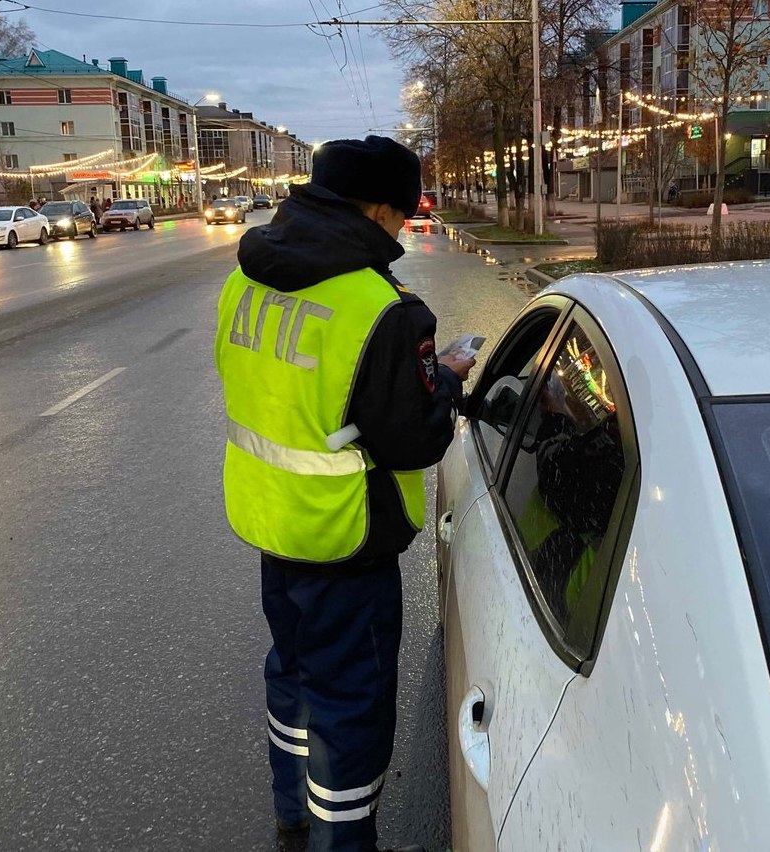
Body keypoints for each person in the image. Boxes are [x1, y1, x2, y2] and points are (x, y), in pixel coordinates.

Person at [214, 135, 473, 852]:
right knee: (350, 707)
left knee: (292, 672)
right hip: (346, 538)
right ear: (381, 209)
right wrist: (445, 379)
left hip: (271, 521)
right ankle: (345, 841)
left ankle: (291, 805)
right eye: (404, 210)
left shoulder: (246, 279)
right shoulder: (382, 307)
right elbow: (413, 441)